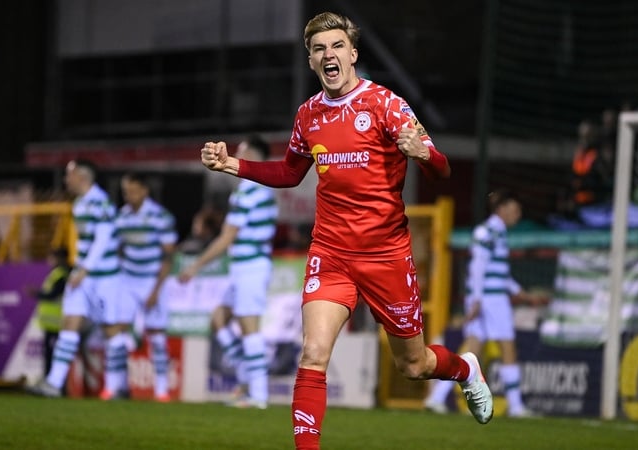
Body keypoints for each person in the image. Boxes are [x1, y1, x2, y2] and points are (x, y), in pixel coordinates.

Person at [198, 12, 493, 449]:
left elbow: (442, 170)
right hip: (331, 253)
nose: (328, 54)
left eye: (337, 46)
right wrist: (233, 165)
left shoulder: (386, 105)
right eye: (319, 49)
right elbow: (289, 173)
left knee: (413, 365)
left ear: (352, 54)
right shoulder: (308, 115)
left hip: (386, 255)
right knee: (313, 353)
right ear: (311, 60)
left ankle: (465, 369)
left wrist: (423, 154)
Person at [424, 190, 549, 417]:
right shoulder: (488, 232)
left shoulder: (496, 233)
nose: (518, 215)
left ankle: (436, 398)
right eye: (514, 210)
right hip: (491, 299)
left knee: (471, 350)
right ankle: (516, 406)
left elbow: (498, 273)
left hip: (485, 298)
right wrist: (477, 300)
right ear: (501, 209)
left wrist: (522, 294)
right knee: (508, 347)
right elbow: (477, 267)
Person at [180, 135, 278, 410]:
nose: (235, 156)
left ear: (254, 156)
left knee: (249, 328)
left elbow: (227, 237)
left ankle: (258, 395)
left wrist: (196, 265)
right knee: (219, 319)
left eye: (241, 152)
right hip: (245, 266)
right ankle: (246, 380)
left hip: (251, 267)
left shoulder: (248, 190)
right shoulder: (262, 188)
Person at [28, 159, 126, 398]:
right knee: (69, 324)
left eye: (68, 175)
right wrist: (80, 270)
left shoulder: (101, 202)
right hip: (84, 275)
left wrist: (84, 270)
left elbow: (103, 240)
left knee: (111, 329)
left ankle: (116, 387)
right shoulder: (80, 203)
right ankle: (54, 383)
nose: (65, 180)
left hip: (104, 278)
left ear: (82, 176)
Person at [114, 172, 178, 402]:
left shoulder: (161, 217)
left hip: (153, 281)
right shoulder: (121, 217)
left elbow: (168, 257)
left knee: (157, 335)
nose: (128, 196)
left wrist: (155, 290)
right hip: (128, 281)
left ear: (144, 191)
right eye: (125, 192)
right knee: (119, 332)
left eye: (132, 191)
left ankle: (161, 390)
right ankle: (118, 387)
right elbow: (118, 249)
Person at [25, 247, 71, 377]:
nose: (49, 260)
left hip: (57, 322)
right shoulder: (57, 273)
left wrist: (37, 293)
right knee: (49, 352)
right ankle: (49, 378)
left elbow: (53, 294)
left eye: (52, 257)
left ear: (59, 258)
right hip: (52, 322)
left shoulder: (62, 275)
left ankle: (53, 378)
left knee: (54, 353)